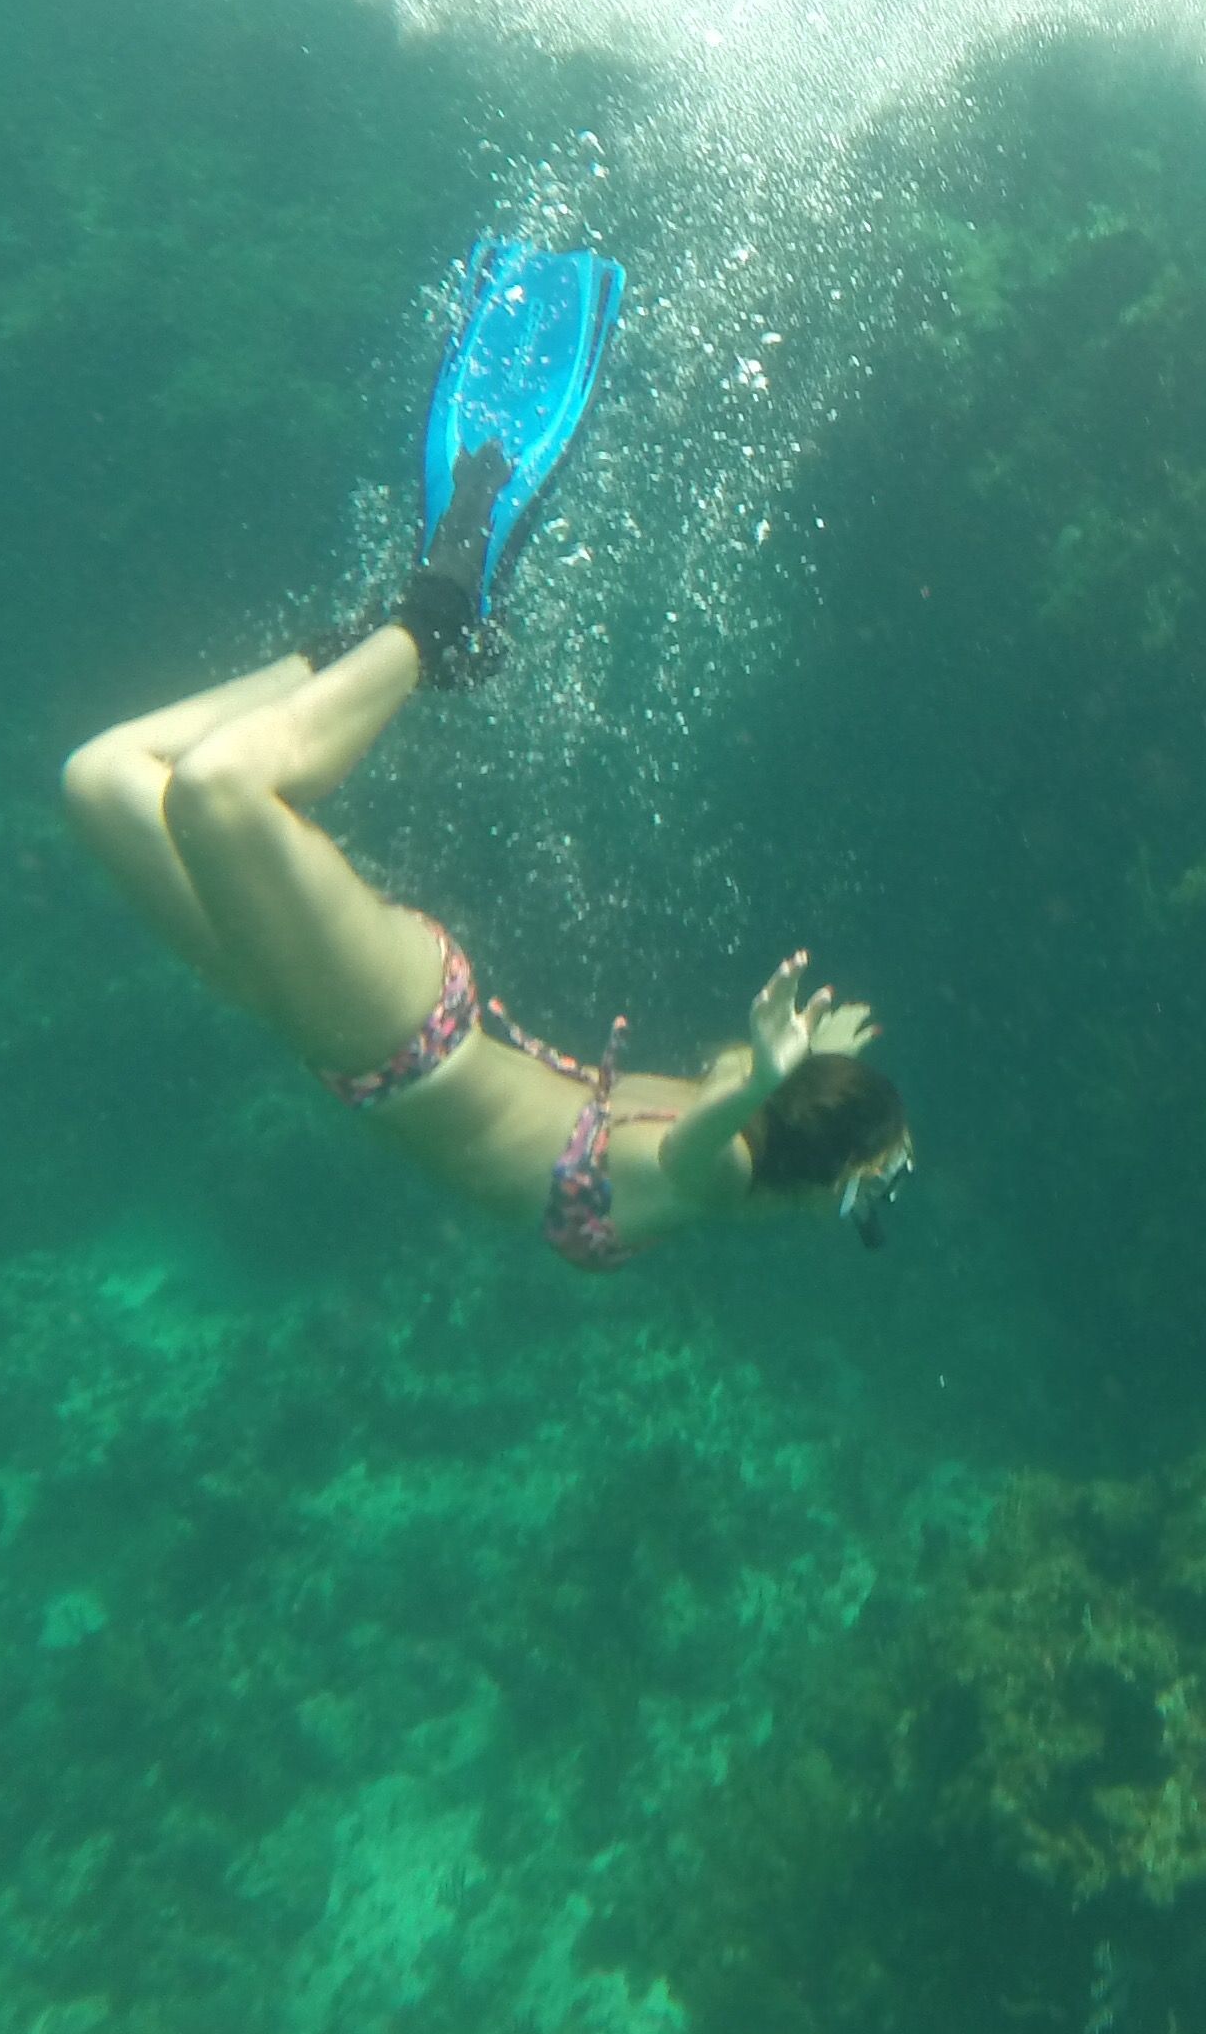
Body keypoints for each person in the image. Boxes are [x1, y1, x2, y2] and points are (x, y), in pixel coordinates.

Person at [61, 238, 913, 1271]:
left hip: (347, 1031)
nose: (858, 1202)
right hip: (400, 1028)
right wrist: (781, 1074)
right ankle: (435, 618)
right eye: (866, 1186)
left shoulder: (722, 1166)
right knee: (218, 791)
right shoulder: (722, 1164)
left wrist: (788, 1073)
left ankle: (340, 651)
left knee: (103, 776)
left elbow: (715, 1127)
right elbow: (705, 1140)